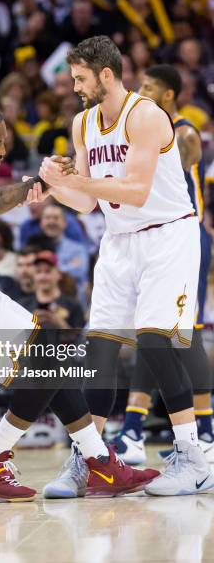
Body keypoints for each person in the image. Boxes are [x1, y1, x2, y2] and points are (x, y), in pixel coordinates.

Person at [0, 103, 157, 502]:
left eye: (3, 142)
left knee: (50, 356)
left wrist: (36, 188)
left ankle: (96, 463)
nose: (2, 151)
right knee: (47, 360)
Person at [37, 35, 214, 496]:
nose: (74, 86)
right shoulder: (82, 124)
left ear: (106, 75)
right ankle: (91, 459)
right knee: (98, 352)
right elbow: (86, 204)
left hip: (168, 235)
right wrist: (56, 185)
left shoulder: (147, 116)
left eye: (80, 78)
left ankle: (194, 458)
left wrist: (80, 181)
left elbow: (135, 190)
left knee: (156, 342)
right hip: (119, 242)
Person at [111, 65, 214, 464]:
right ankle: (135, 427)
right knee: (153, 332)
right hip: (154, 237)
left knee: (185, 332)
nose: (140, 93)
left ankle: (202, 428)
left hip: (183, 237)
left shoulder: (184, 133)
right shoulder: (141, 131)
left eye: (149, 88)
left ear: (169, 96)